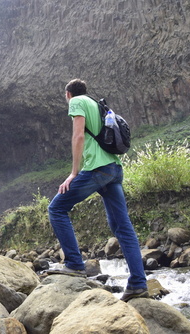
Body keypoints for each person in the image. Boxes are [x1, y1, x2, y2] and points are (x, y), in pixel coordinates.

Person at [47, 79, 148, 302]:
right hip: (113, 168)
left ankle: (74, 264)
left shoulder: (77, 102)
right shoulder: (95, 102)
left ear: (68, 94)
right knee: (122, 226)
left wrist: (74, 172)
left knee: (56, 208)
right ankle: (139, 284)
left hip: (96, 168)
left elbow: (79, 135)